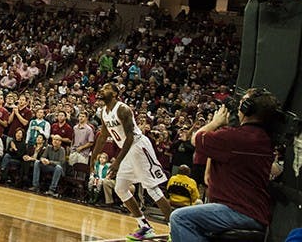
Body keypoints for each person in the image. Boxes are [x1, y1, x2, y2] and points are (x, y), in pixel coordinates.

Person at [169, 88, 279, 241]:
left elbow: (196, 138)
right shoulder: (264, 139)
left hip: (238, 210)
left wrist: (215, 122)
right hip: (256, 212)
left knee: (180, 218)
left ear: (247, 108)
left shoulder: (234, 137)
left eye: (242, 102)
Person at [90, 82, 172, 241]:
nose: (102, 90)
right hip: (127, 150)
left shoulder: (123, 109)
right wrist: (93, 156)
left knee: (152, 189)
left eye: (106, 88)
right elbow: (103, 135)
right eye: (102, 87)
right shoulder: (104, 112)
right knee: (120, 188)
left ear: (115, 94)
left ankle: (175, 228)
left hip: (138, 146)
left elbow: (130, 137)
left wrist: (117, 162)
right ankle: (145, 226)